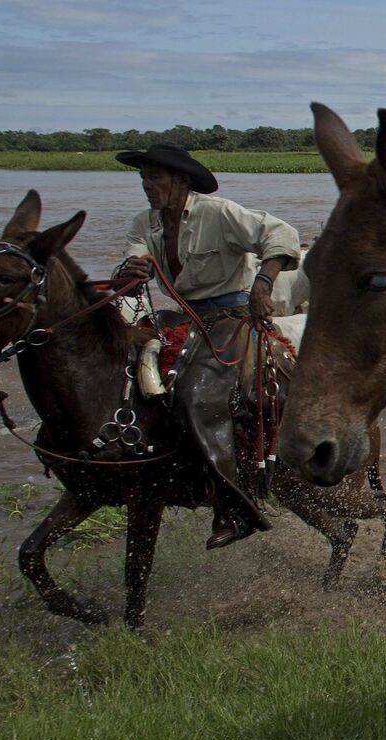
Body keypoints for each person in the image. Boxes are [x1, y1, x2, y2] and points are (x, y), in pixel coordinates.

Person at [111, 142, 302, 548]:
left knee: (198, 391)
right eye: (143, 177)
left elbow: (281, 234)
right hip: (183, 316)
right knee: (120, 369)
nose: (147, 185)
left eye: (155, 177)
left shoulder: (220, 213)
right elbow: (130, 265)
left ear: (180, 180)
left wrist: (263, 283)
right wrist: (130, 270)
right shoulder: (144, 223)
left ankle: (236, 506)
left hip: (230, 316)